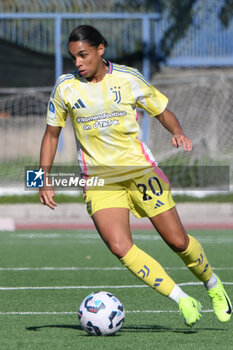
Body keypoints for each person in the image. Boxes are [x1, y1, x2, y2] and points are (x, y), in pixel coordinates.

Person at [39, 24, 232, 327]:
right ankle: (181, 298)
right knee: (119, 246)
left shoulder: (128, 79)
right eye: (73, 57)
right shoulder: (65, 87)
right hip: (100, 180)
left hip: (140, 172)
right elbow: (51, 135)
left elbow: (161, 110)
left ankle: (213, 285)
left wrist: (177, 131)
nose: (77, 63)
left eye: (83, 55)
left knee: (178, 241)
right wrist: (43, 177)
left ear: (100, 49)